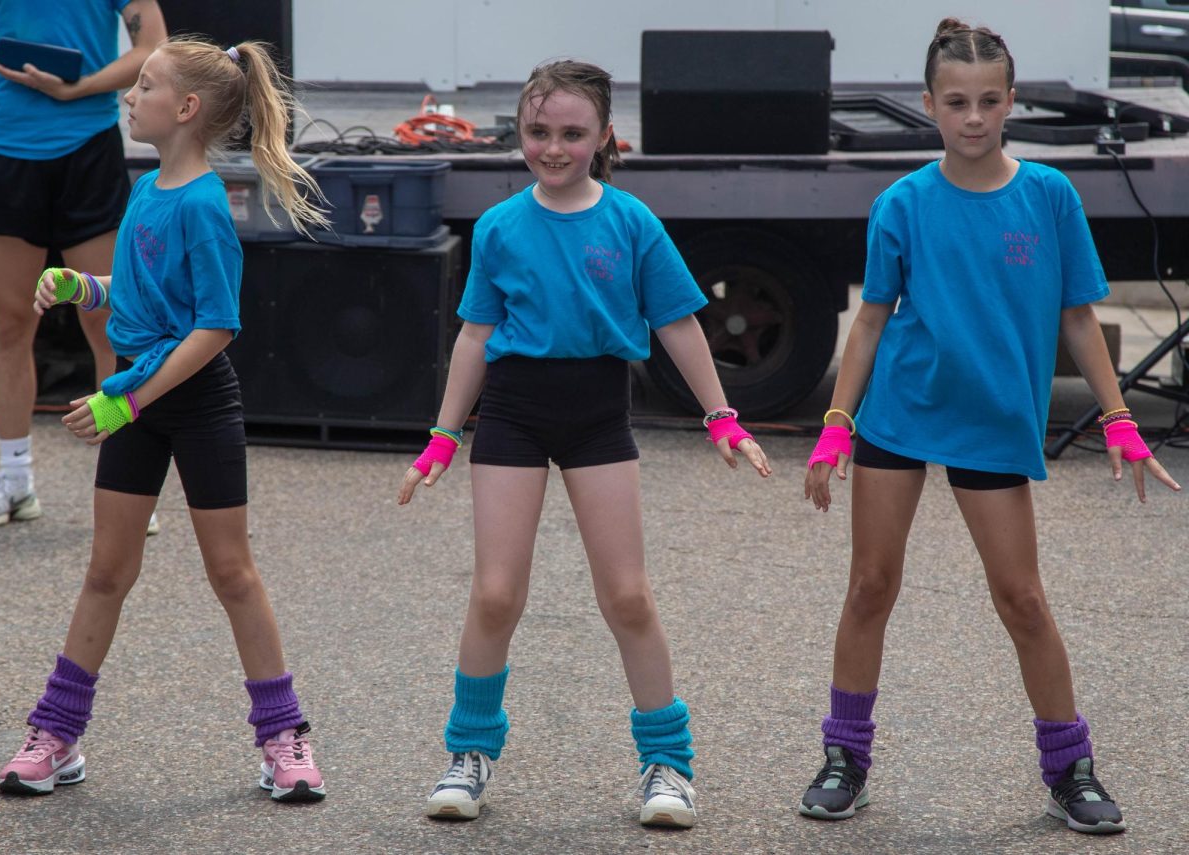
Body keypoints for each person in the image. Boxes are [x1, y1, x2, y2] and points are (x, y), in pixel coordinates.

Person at [798, 18, 1180, 835]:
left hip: (996, 423)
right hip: (900, 416)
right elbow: (870, 322)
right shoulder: (902, 202)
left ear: (1010, 103)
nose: (973, 117)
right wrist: (837, 424)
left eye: (989, 101)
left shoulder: (1048, 197)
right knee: (870, 587)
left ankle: (1069, 769)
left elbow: (1080, 319)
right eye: (956, 102)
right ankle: (845, 757)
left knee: (1023, 598)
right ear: (931, 105)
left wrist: (1120, 420)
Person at [398, 59, 771, 828]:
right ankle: (468, 752)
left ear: (604, 136)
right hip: (512, 414)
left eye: (573, 133)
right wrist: (441, 435)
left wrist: (721, 415)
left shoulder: (632, 222)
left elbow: (676, 321)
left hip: (599, 413)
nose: (555, 148)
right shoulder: (500, 227)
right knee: (496, 592)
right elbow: (475, 334)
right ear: (520, 133)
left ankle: (668, 764)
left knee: (627, 595)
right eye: (539, 132)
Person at [0, 37, 331, 803]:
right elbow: (147, 299)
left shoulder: (207, 205)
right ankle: (57, 734)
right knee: (107, 571)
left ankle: (284, 739)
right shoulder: (146, 191)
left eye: (143, 85)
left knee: (232, 573)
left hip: (194, 403)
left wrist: (130, 399)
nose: (128, 93)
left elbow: (214, 327)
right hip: (138, 404)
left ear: (184, 110)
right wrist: (82, 287)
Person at [0, 0, 165, 533]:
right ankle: (14, 479)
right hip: (4, 150)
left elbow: (153, 48)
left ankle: (128, 482)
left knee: (110, 321)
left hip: (87, 151)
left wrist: (77, 87)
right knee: (10, 322)